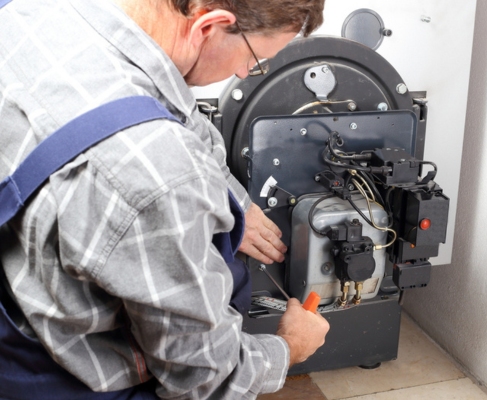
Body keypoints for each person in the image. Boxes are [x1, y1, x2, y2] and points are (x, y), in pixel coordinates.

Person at [0, 0, 329, 398]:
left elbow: (179, 114)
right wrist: (290, 346)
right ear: (209, 26)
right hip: (70, 378)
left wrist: (233, 200)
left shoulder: (36, 11)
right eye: (254, 59)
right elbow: (203, 378)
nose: (245, 73)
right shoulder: (158, 175)